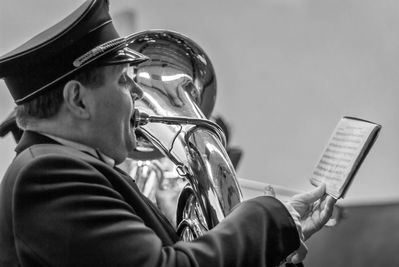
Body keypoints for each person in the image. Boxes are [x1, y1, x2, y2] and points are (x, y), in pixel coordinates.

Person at [0, 0, 336, 266]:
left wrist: (279, 240)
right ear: (77, 99)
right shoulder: (48, 175)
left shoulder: (63, 166)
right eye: (122, 81)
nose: (136, 90)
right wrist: (271, 217)